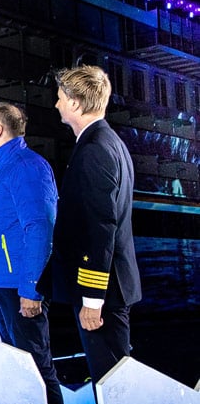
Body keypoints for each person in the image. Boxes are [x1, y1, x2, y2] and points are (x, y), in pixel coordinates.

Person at [37, 65, 141, 386]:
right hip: (110, 289)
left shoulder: (94, 149)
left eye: (60, 97)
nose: (57, 104)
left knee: (112, 386)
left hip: (102, 296)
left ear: (75, 103)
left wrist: (92, 300)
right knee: (114, 383)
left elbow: (100, 229)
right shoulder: (109, 143)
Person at [0, 102, 64, 404]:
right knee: (20, 370)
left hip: (19, 287)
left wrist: (31, 288)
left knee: (36, 370)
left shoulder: (27, 167)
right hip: (3, 284)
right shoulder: (8, 168)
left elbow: (40, 227)